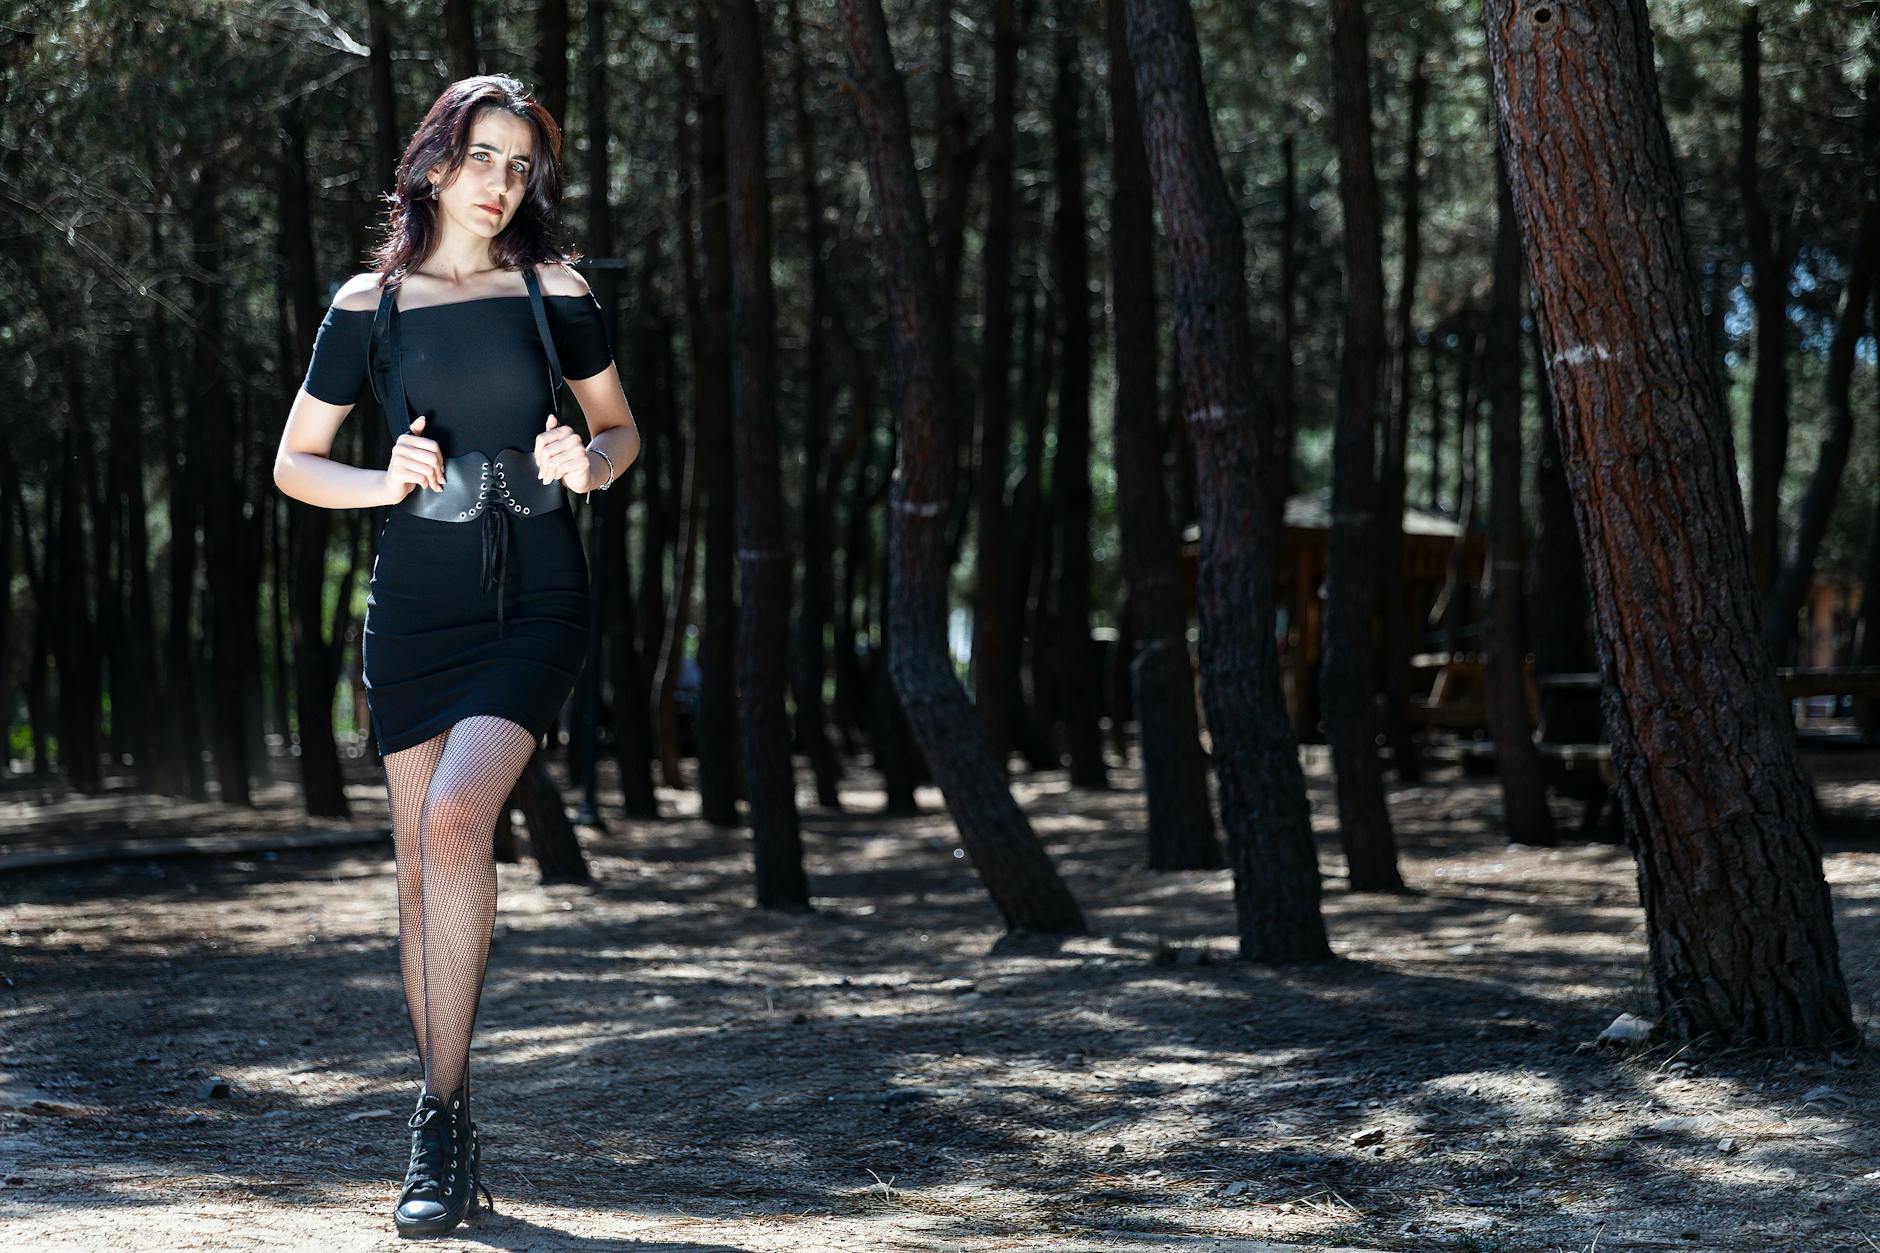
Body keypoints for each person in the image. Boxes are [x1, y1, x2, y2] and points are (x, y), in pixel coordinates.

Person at [272, 73, 640, 1238]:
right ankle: (443, 1117)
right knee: (419, 869)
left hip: (536, 594)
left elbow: (621, 427)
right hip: (414, 605)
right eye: (482, 157)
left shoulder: (555, 290)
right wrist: (382, 481)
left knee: (453, 817)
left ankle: (438, 1112)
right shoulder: (368, 304)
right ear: (434, 161)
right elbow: (294, 460)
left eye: (520, 165)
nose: (501, 184)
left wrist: (590, 461)